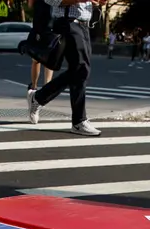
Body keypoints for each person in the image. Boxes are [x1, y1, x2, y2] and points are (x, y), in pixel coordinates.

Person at [27, 0, 98, 136]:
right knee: (82, 70)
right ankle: (78, 121)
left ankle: (38, 98)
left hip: (84, 25)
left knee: (78, 71)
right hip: (68, 24)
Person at [26, 0, 54, 96]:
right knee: (48, 60)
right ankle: (47, 88)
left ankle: (34, 86)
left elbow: (30, 5)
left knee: (36, 59)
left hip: (39, 27)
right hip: (51, 27)